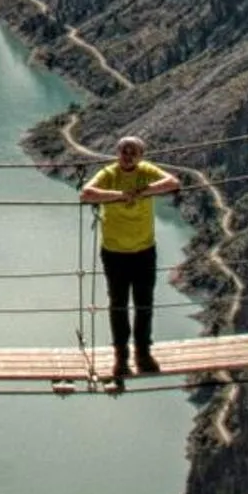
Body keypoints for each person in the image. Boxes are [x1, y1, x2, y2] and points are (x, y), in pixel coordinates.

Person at [80, 135, 180, 390]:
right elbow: (86, 194)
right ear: (117, 153)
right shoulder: (108, 173)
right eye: (124, 151)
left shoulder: (147, 172)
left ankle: (143, 353)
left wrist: (143, 191)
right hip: (114, 252)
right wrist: (120, 195)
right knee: (119, 305)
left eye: (133, 152)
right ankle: (121, 357)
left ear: (141, 155)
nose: (127, 155)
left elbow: (173, 182)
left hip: (144, 250)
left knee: (144, 303)